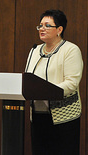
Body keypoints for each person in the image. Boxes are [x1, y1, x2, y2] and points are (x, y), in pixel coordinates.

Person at [25, 10, 83, 155]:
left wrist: (47, 91)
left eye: (47, 25)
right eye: (40, 26)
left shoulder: (70, 50)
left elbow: (71, 83)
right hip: (37, 115)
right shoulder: (34, 50)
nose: (42, 29)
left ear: (59, 29)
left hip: (63, 117)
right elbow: (27, 80)